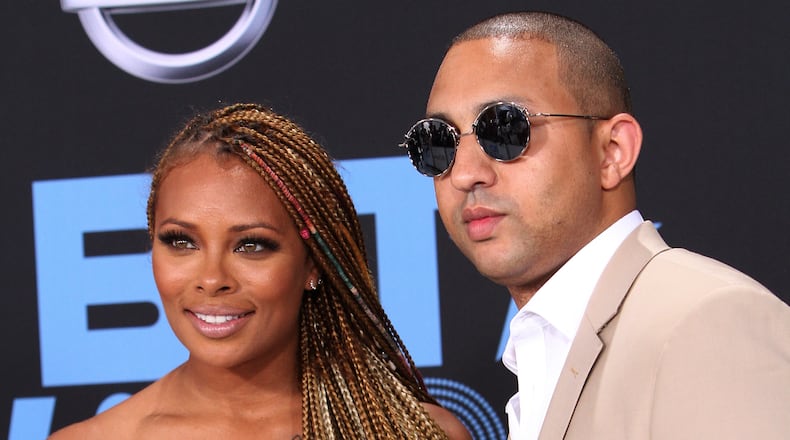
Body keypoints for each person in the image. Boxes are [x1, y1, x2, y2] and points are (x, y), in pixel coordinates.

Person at [399, 11, 790, 440]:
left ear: (613, 152)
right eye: (437, 142)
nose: (464, 173)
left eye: (505, 129)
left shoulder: (707, 322)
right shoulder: (542, 352)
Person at [49, 103, 471, 439]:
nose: (212, 279)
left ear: (312, 263)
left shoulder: (417, 433)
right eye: (181, 241)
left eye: (251, 245)